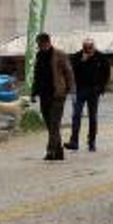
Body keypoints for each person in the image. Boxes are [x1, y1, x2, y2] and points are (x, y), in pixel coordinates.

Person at [30, 32, 75, 161]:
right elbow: (37, 75)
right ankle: (59, 152)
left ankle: (50, 151)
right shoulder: (39, 55)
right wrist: (34, 92)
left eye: (41, 44)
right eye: (38, 45)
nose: (40, 47)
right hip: (44, 94)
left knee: (54, 124)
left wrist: (71, 90)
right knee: (50, 124)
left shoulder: (59, 54)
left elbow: (69, 72)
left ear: (48, 42)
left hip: (57, 94)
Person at [66, 38, 110, 152]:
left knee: (92, 117)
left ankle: (91, 142)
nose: (88, 50)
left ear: (94, 47)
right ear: (83, 47)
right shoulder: (77, 56)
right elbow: (70, 71)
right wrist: (82, 61)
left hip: (94, 91)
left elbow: (106, 73)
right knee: (76, 115)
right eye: (86, 48)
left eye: (90, 47)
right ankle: (74, 141)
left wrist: (101, 88)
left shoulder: (100, 57)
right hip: (80, 90)